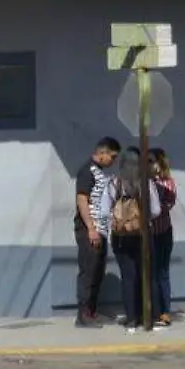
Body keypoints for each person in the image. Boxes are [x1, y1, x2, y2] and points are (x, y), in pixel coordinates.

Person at [108, 148, 163, 334]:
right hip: (142, 235)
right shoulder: (146, 183)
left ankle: (131, 320)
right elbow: (156, 211)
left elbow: (102, 211)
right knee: (148, 276)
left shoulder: (114, 184)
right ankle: (151, 317)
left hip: (121, 237)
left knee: (128, 277)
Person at [73, 137, 121, 328]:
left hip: (100, 230)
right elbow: (82, 200)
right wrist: (91, 229)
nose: (113, 161)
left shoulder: (99, 172)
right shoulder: (87, 171)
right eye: (113, 156)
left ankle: (92, 311)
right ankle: (83, 316)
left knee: (97, 272)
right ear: (102, 153)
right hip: (88, 230)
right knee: (88, 272)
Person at [150, 148, 177, 327]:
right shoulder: (145, 182)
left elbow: (165, 206)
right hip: (148, 233)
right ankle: (152, 310)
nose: (150, 165)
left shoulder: (167, 183)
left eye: (152, 161)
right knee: (150, 273)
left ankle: (165, 312)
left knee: (162, 273)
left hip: (163, 232)